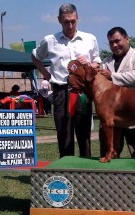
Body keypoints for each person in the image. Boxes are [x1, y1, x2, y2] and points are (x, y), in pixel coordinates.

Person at [32, 3, 101, 158]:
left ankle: (86, 169)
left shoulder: (90, 38)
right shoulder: (50, 40)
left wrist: (89, 64)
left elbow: (97, 62)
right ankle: (65, 171)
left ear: (77, 18)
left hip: (83, 92)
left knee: (84, 134)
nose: (70, 25)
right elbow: (35, 57)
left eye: (73, 21)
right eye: (66, 22)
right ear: (59, 20)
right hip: (61, 91)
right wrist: (45, 74)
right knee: (64, 134)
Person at [98, 26, 135, 159]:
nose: (114, 45)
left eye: (117, 41)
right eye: (111, 43)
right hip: (111, 119)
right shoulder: (105, 62)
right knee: (108, 157)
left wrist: (112, 76)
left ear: (127, 39)